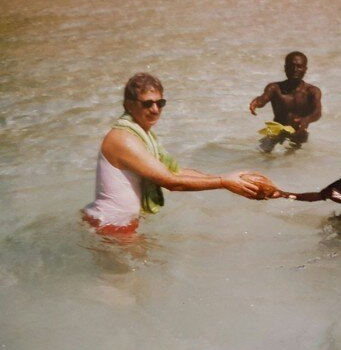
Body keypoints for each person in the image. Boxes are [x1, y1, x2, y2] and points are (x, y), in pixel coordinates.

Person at [84, 73, 263, 235]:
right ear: (128, 106)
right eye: (147, 103)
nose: (155, 109)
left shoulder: (143, 135)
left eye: (160, 103)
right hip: (109, 226)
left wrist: (231, 179)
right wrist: (224, 182)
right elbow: (170, 182)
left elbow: (174, 172)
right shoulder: (124, 140)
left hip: (119, 224)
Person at [249, 51, 322, 151]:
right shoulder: (275, 88)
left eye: (299, 66)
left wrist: (306, 120)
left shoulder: (312, 91)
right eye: (291, 66)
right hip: (276, 131)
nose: (295, 70)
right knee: (260, 153)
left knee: (294, 161)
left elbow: (317, 112)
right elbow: (263, 99)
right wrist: (256, 102)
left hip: (299, 133)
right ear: (285, 68)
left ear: (305, 69)